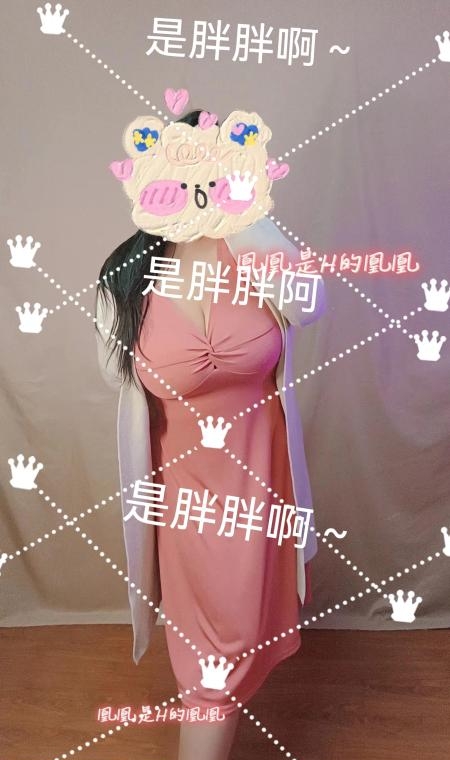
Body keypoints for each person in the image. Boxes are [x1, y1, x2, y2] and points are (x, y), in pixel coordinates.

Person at [95, 109, 327, 760]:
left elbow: (312, 303)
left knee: (231, 657)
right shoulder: (125, 279)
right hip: (185, 508)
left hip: (262, 499)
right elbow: (117, 379)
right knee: (210, 674)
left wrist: (247, 221)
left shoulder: (258, 257)